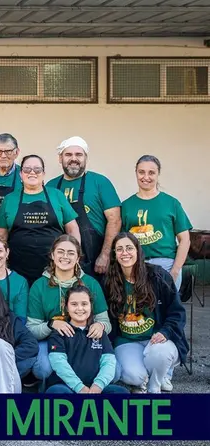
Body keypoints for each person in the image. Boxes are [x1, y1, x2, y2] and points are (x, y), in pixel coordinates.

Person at [105, 232, 187, 393]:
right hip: (127, 341)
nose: (125, 253)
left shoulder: (158, 276)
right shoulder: (110, 281)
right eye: (119, 249)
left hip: (156, 338)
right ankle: (149, 376)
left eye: (129, 248)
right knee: (133, 376)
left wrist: (166, 331)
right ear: (115, 254)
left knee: (159, 354)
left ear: (138, 250)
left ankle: (156, 383)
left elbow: (177, 312)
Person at [26, 235, 111, 383]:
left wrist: (100, 326)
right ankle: (56, 386)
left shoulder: (91, 284)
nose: (65, 256)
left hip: (84, 339)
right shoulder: (39, 286)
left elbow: (106, 323)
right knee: (42, 369)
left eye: (71, 253)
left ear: (78, 258)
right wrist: (51, 324)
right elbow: (32, 329)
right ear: (52, 255)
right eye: (60, 252)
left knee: (116, 372)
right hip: (52, 340)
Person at [0, 154, 80, 286]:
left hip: (55, 267)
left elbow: (72, 229)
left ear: (44, 174)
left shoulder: (56, 195)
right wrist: (1, 263)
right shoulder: (9, 199)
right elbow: (1, 236)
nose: (32, 173)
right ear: (21, 174)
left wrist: (75, 256)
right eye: (27, 169)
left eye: (37, 169)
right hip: (18, 267)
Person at [47, 136, 121, 276]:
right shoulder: (51, 186)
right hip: (60, 260)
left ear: (86, 158)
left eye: (79, 154)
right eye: (68, 154)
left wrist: (105, 255)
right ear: (60, 158)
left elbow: (115, 220)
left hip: (95, 260)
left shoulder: (100, 182)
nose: (73, 158)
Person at [120, 155, 192, 291]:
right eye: (141, 172)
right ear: (136, 173)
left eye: (151, 173)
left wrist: (175, 270)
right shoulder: (126, 206)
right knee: (137, 304)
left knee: (165, 304)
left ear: (158, 174)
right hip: (135, 264)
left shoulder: (172, 203)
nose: (146, 177)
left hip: (166, 264)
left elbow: (185, 240)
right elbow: (121, 241)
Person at [45, 285, 128, 394]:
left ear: (90, 306)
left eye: (84, 304)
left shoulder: (99, 332)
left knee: (121, 392)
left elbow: (109, 362)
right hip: (67, 386)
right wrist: (79, 387)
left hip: (94, 388)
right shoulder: (59, 333)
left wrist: (98, 385)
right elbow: (59, 364)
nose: (80, 308)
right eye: (74, 304)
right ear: (66, 307)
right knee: (56, 392)